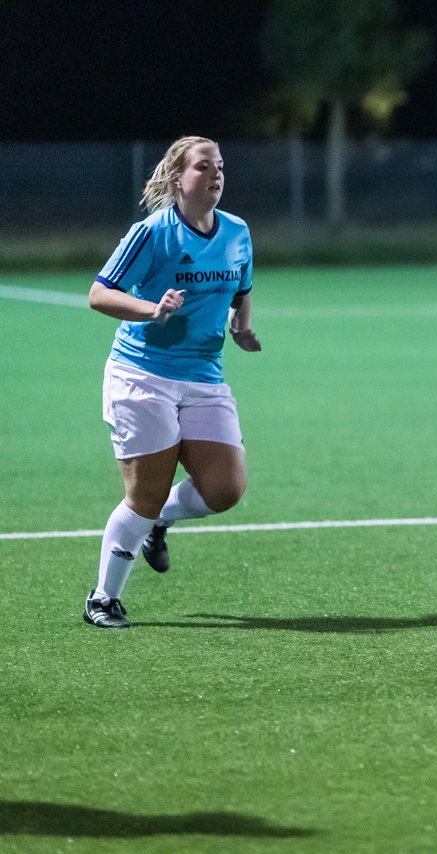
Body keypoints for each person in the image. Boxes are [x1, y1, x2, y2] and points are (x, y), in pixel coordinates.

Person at [83, 135, 260, 629]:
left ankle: (163, 522)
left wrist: (242, 327)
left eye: (220, 166)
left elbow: (242, 288)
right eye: (204, 167)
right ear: (178, 177)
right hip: (143, 376)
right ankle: (103, 597)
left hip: (205, 377)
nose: (216, 175)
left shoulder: (237, 231)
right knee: (145, 496)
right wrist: (151, 310)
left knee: (225, 488)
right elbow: (99, 294)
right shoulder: (152, 233)